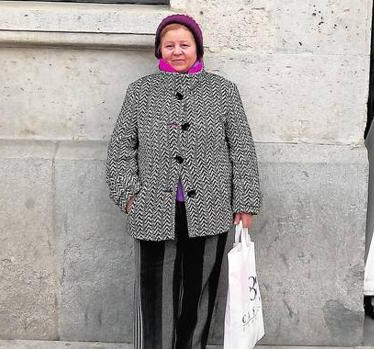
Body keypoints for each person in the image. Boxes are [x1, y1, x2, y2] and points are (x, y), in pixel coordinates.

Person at [105, 13, 262, 349]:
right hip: (152, 209)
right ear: (159, 50)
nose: (177, 51)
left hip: (210, 208)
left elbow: (242, 149)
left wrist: (245, 203)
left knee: (198, 291)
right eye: (169, 45)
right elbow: (121, 147)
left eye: (184, 44)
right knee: (154, 294)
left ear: (197, 48)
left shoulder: (223, 91)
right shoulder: (140, 92)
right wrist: (130, 197)